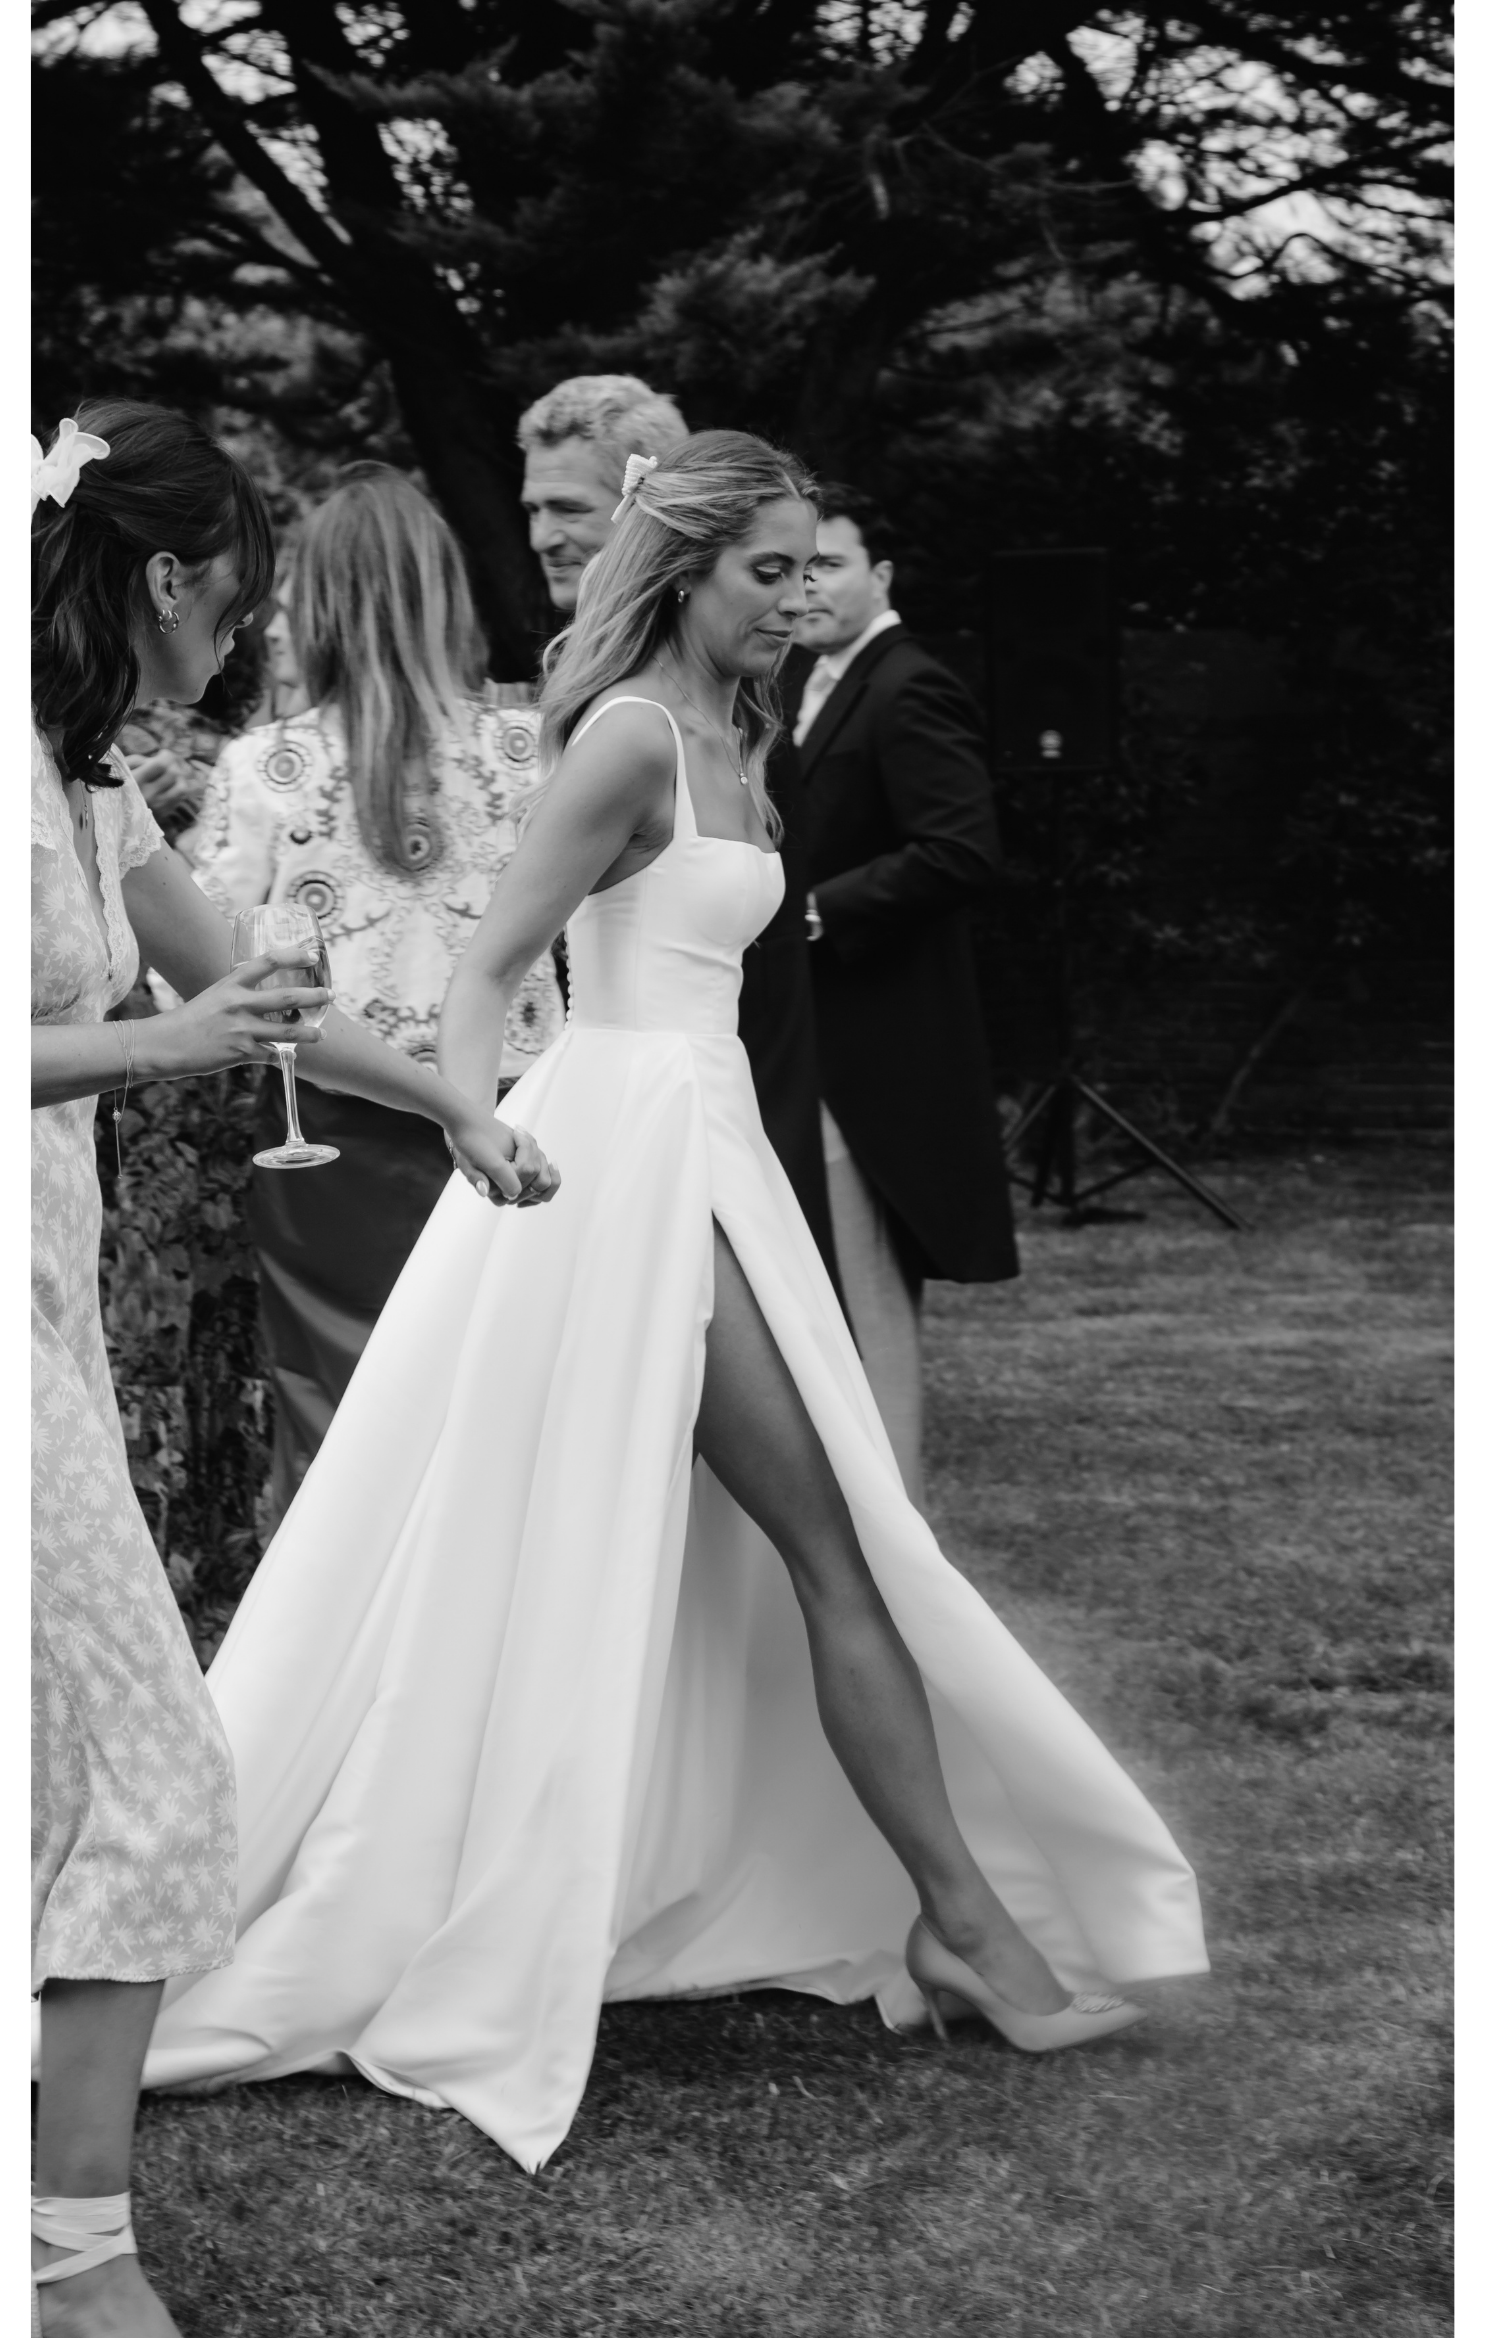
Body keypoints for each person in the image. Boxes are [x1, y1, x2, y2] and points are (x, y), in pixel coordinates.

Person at [143, 431, 1206, 2174]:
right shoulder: (631, 734)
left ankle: (936, 1908)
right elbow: (493, 962)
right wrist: (482, 1125)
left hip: (717, 1149)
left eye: (809, 568)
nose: (797, 597)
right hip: (623, 1158)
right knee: (837, 1544)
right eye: (766, 570)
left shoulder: (743, 736)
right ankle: (967, 1921)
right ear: (691, 567)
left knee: (807, 1549)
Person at [30, 401, 555, 2336]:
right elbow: (174, 1040)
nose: (241, 644)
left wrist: (453, 1103)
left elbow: (262, 992)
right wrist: (164, 1055)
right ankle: (73, 2257)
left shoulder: (85, 792)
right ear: (159, 580)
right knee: (154, 1770)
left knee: (66, 1775)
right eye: (228, 603)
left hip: (46, 1312)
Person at [188, 464, 566, 1525]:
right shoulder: (536, 748)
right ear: (444, 590)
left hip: (331, 1135)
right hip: (518, 1119)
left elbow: (198, 955)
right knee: (509, 1415)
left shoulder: (266, 766)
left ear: (322, 600)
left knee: (348, 1427)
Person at [519, 373, 839, 1278]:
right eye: (532, 508)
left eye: (571, 507)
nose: (545, 535)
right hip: (625, 1124)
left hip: (729, 1111)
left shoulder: (743, 726)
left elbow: (765, 971)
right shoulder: (629, 720)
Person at [790, 484, 1019, 1505]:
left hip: (876, 1053)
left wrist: (812, 913)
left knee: (869, 1294)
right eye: (796, 566)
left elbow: (961, 850)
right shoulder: (813, 678)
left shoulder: (906, 683)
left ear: (880, 576)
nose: (810, 585)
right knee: (825, 1292)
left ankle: (897, 1532)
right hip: (816, 1041)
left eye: (831, 563)